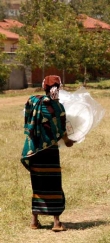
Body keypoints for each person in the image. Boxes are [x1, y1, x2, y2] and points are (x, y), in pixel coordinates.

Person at [21, 75, 75, 232]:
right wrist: (69, 142)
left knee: (37, 183)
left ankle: (34, 220)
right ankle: (56, 222)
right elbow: (63, 132)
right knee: (53, 184)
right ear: (58, 89)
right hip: (50, 151)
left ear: (44, 87)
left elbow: (27, 121)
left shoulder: (33, 101)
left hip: (35, 150)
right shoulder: (58, 108)